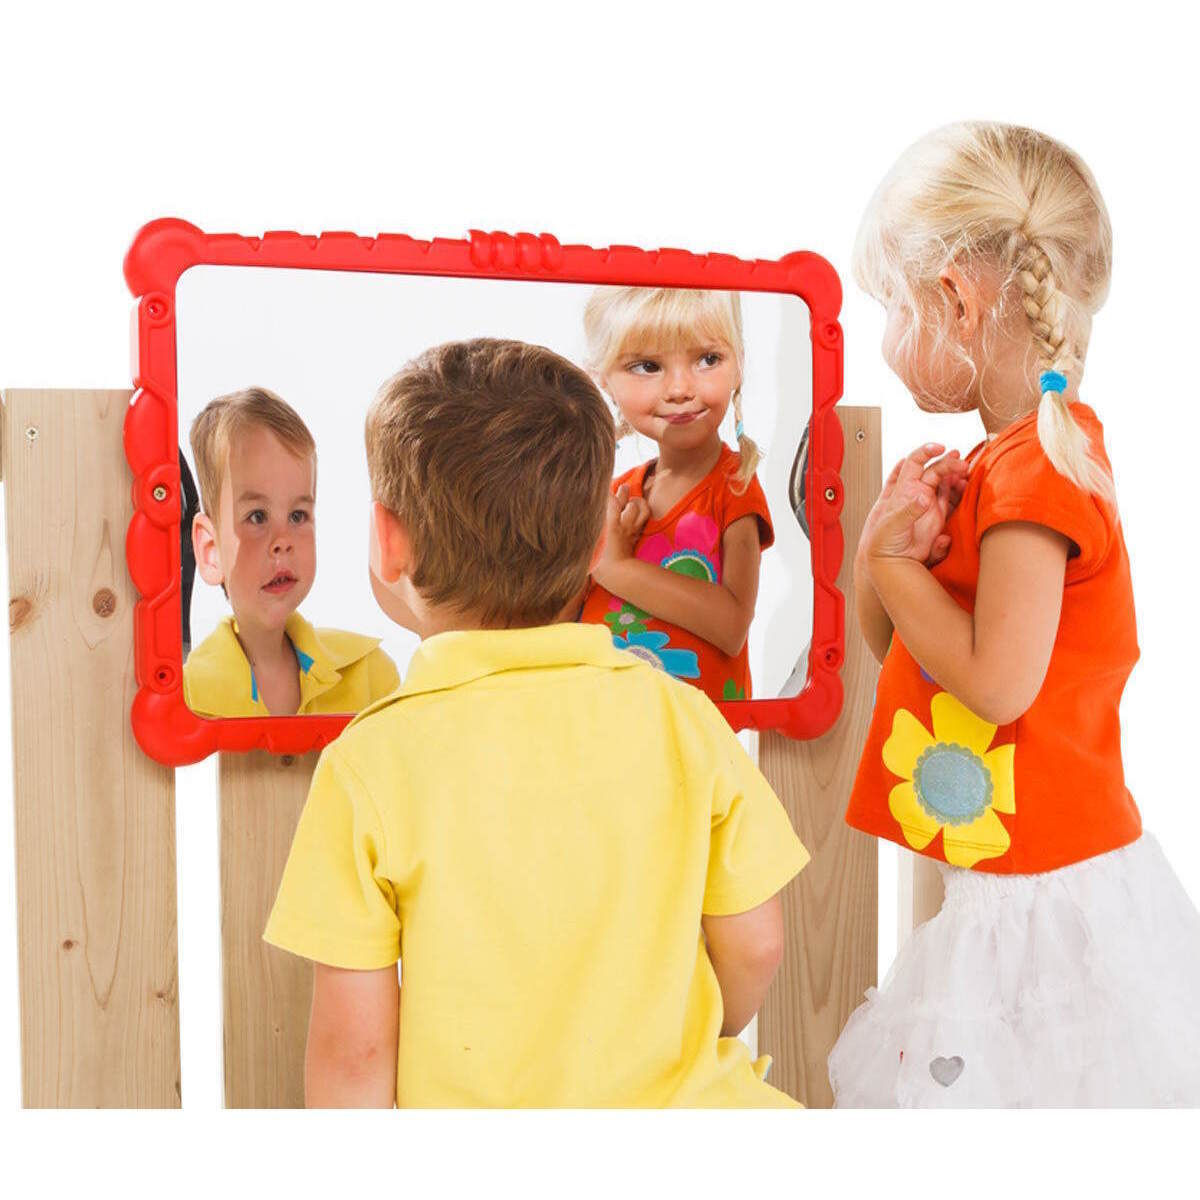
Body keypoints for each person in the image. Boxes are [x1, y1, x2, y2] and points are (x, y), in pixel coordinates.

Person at [263, 338, 809, 1107]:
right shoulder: (682, 718)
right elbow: (758, 944)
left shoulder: (370, 762)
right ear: (597, 543)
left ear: (390, 542)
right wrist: (677, 1047)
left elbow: (355, 1057)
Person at [828, 121, 1200, 1106]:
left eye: (892, 306)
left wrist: (891, 562)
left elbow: (996, 686)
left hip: (1039, 895)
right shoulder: (1006, 464)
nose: (887, 336)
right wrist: (888, 555)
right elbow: (907, 654)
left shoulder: (1037, 474)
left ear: (955, 300)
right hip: (1001, 870)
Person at [578, 287, 772, 703]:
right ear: (602, 378)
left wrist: (616, 567)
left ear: (739, 364)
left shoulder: (734, 485)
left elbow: (732, 626)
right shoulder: (612, 496)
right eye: (647, 366)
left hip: (695, 734)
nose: (681, 389)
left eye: (708, 359)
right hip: (603, 723)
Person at [184, 386, 399, 717]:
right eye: (257, 517)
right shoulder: (185, 698)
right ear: (210, 550)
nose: (282, 540)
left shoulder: (369, 676)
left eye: (298, 516)